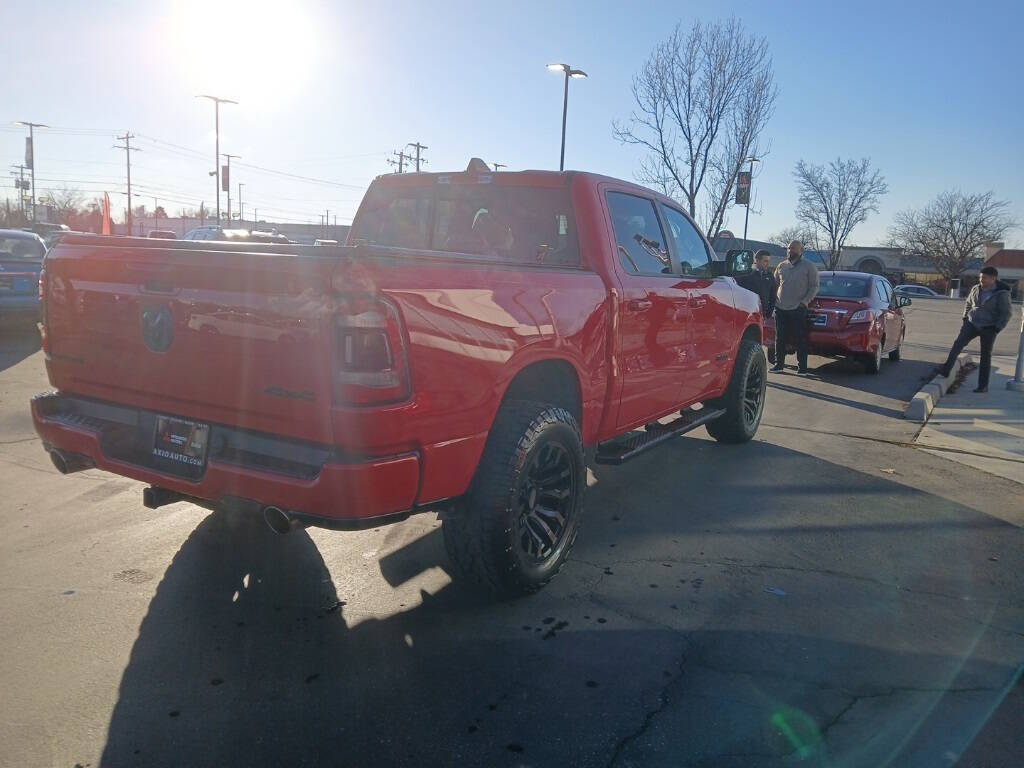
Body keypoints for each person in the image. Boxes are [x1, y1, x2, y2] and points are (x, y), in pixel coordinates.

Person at [937, 266, 1012, 393]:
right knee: (957, 345)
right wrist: (965, 317)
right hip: (972, 323)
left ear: (993, 279)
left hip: (989, 327)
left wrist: (997, 328)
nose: (981, 280)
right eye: (980, 277)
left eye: (984, 278)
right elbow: (968, 303)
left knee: (985, 356)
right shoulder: (976, 288)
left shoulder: (1002, 294)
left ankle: (982, 386)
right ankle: (945, 370)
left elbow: (1006, 313)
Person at [771, 240, 819, 375]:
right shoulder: (781, 266)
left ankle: (802, 368)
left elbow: (814, 286)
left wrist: (805, 302)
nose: (790, 251)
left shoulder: (809, 267)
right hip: (781, 307)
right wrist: (775, 300)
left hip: (798, 308)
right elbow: (775, 285)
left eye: (793, 248)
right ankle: (779, 365)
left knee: (800, 338)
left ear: (800, 250)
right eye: (788, 248)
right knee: (780, 337)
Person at [737, 249, 777, 318]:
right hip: (747, 313)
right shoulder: (746, 274)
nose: (767, 264)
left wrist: (769, 313)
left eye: (768, 261)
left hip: (762, 315)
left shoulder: (770, 276)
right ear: (757, 260)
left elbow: (773, 296)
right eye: (765, 261)